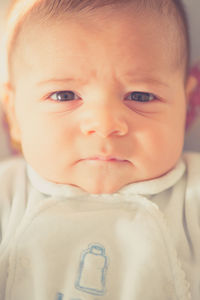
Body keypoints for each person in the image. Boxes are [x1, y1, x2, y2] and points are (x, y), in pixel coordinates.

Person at [0, 0, 198, 299]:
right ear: (14, 115)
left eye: (141, 95)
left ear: (186, 106)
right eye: (64, 95)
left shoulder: (192, 196)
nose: (105, 124)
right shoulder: (8, 194)